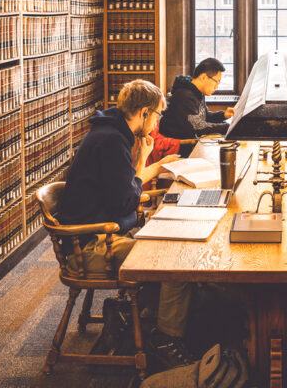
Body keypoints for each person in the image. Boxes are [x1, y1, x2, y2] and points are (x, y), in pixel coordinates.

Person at [56, 79, 196, 368]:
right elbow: (125, 201)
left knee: (168, 242)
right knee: (175, 264)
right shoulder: (111, 140)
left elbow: (125, 189)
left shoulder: (111, 131)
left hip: (96, 232)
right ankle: (165, 340)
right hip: (91, 245)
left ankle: (135, 310)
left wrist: (142, 160)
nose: (157, 123)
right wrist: (145, 163)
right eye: (157, 115)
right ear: (143, 112)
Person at [158, 58, 235, 156]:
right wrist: (229, 127)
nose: (217, 86)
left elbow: (204, 116)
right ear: (203, 77)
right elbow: (198, 126)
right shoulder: (184, 96)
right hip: (177, 151)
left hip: (191, 145)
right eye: (216, 81)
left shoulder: (197, 92)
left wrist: (223, 115)